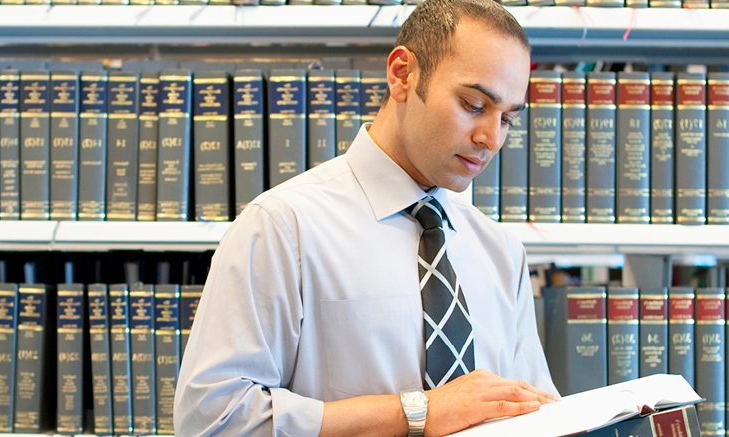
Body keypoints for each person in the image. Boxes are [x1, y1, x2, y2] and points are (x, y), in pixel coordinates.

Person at [174, 0, 560, 435]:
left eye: (507, 118)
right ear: (402, 75)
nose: (490, 138)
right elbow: (212, 419)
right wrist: (419, 412)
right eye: (473, 105)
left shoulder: (501, 251)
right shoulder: (284, 227)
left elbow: (532, 408)